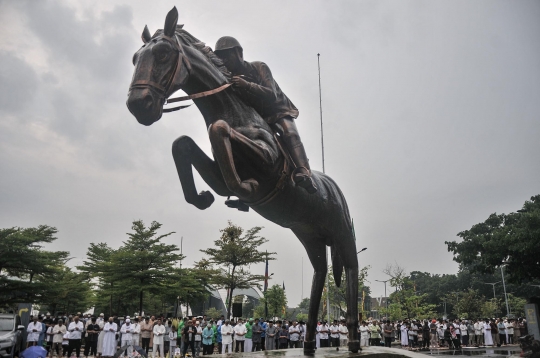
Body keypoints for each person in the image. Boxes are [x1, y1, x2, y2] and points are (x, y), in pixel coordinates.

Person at [213, 36, 318, 198]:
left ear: (238, 53)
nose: (225, 60)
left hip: (278, 111)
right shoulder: (230, 77)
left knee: (290, 133)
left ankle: (303, 171)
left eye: (227, 55)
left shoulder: (258, 67)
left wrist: (246, 85)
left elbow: (272, 95)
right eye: (221, 57)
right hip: (258, 118)